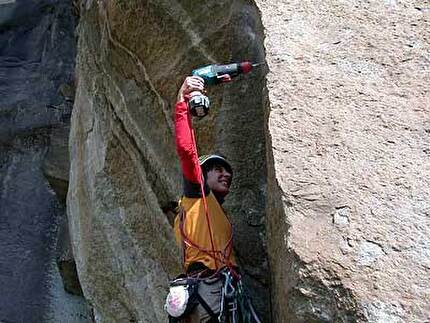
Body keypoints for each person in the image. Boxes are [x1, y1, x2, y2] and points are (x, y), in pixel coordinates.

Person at [172, 75, 237, 322]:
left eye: (227, 171)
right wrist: (182, 100)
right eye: (217, 170)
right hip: (208, 292)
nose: (226, 174)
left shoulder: (212, 211)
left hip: (214, 293)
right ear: (203, 176)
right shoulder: (197, 197)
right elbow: (187, 152)